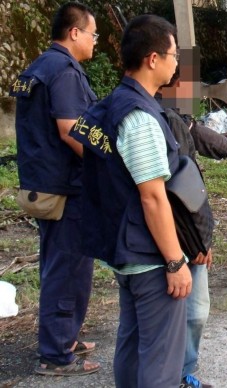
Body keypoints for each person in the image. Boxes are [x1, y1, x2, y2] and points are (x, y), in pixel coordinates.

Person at [70, 15, 192, 387]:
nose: (176, 64)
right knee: (160, 357)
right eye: (173, 55)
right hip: (149, 255)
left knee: (133, 341)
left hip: (126, 248)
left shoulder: (113, 103)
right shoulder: (139, 117)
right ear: (153, 59)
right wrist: (175, 261)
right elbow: (153, 196)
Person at [157, 79, 227, 388]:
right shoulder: (156, 119)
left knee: (189, 312)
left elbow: (197, 133)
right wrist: (197, 243)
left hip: (174, 237)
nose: (195, 92)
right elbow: (169, 193)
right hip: (172, 239)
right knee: (181, 313)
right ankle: (171, 377)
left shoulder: (169, 114)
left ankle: (178, 373)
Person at [9, 2, 100, 376]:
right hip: (66, 187)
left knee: (60, 264)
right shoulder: (63, 72)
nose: (95, 41)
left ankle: (66, 336)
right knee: (68, 269)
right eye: (93, 34)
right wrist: (104, 162)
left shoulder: (37, 67)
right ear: (74, 33)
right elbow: (69, 129)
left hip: (43, 184)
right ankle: (56, 354)